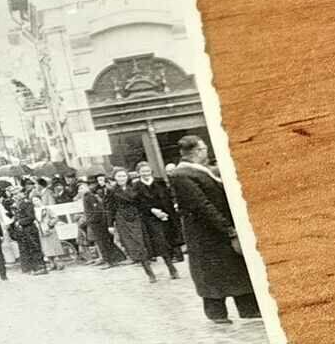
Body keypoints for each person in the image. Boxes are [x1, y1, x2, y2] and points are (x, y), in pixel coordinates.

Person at [170, 135, 261, 323]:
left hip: (221, 229)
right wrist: (229, 230)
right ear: (196, 151)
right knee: (211, 276)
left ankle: (249, 309)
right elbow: (202, 206)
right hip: (204, 235)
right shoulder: (181, 175)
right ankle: (217, 314)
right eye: (203, 148)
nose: (206, 151)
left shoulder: (206, 171)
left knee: (237, 271)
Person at [106, 167, 160, 282]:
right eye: (119, 176)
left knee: (142, 242)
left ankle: (150, 266)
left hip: (136, 217)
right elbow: (110, 208)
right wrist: (110, 224)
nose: (122, 178)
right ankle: (149, 272)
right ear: (114, 178)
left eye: (124, 176)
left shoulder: (134, 187)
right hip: (123, 219)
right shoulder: (111, 191)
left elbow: (141, 203)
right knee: (135, 245)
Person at [132, 162, 181, 280]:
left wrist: (167, 212)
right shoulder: (136, 187)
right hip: (150, 218)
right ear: (138, 173)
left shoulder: (159, 182)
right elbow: (138, 203)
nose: (146, 173)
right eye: (143, 171)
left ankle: (172, 263)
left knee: (169, 239)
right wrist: (153, 210)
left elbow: (168, 197)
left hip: (166, 216)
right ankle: (171, 268)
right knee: (161, 241)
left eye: (147, 171)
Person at [82, 178, 120, 267]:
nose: (81, 190)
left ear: (88, 187)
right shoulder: (88, 196)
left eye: (82, 188)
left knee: (102, 242)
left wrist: (90, 220)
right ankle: (115, 258)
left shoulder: (90, 196)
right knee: (102, 242)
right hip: (95, 222)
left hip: (97, 223)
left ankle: (109, 261)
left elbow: (97, 210)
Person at [12, 187, 47, 275]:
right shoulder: (17, 204)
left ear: (22, 194)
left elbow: (31, 217)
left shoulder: (27, 203)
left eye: (17, 194)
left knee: (34, 248)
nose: (15, 196)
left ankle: (41, 268)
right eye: (14, 194)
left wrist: (20, 222)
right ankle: (32, 268)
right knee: (27, 248)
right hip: (23, 230)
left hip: (29, 229)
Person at [35, 196, 66, 271]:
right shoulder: (34, 211)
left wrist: (50, 224)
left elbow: (55, 217)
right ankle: (51, 263)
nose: (35, 202)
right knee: (46, 247)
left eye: (37, 200)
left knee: (54, 246)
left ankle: (58, 263)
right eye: (34, 201)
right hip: (41, 230)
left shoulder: (46, 209)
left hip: (49, 229)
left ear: (40, 200)